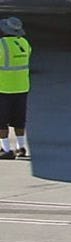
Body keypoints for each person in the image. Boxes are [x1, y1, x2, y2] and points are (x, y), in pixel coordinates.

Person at [0, 16, 29, 162]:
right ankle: (21, 147)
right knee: (19, 120)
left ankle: (6, 149)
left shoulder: (2, 45)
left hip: (4, 88)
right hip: (22, 87)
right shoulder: (24, 43)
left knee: (1, 120)